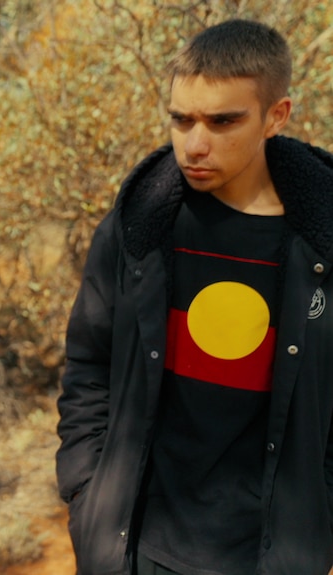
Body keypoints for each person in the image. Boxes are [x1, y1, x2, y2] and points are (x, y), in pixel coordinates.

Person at [55, 18, 333, 575]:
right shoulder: (138, 229)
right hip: (136, 549)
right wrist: (87, 493)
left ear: (275, 116)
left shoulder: (322, 243)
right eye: (181, 120)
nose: (195, 143)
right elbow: (88, 366)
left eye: (223, 120)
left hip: (274, 555)